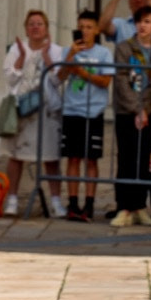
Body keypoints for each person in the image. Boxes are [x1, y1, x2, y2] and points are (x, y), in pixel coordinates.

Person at [5, 10, 63, 215]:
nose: (35, 27)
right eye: (31, 24)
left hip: (46, 109)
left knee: (50, 156)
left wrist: (47, 58)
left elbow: (57, 81)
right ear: (26, 29)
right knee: (16, 155)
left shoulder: (56, 51)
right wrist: (21, 57)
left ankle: (56, 201)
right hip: (22, 108)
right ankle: (12, 199)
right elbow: (11, 79)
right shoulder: (16, 49)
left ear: (46, 28)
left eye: (40, 24)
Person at [56, 11, 112, 221]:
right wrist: (70, 56)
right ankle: (72, 203)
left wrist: (82, 73)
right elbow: (60, 76)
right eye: (81, 27)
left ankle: (89, 203)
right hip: (72, 109)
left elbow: (105, 81)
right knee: (73, 157)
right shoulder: (69, 51)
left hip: (93, 111)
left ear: (96, 30)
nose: (85, 31)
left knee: (91, 159)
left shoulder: (104, 53)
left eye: (89, 27)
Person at [113, 4, 151, 226]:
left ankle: (140, 206)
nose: (143, 25)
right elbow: (122, 81)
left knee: (144, 161)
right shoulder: (124, 48)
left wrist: (147, 109)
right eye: (140, 21)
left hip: (150, 112)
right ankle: (124, 207)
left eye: (148, 21)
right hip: (127, 111)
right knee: (126, 158)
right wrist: (136, 109)